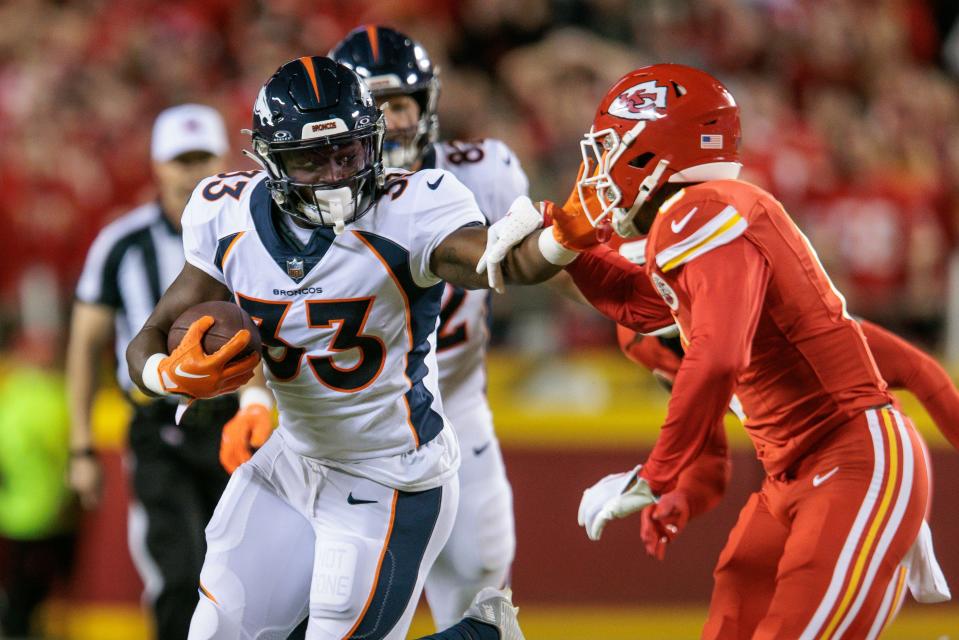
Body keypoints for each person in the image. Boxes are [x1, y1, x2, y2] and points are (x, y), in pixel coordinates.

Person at [482, 63, 941, 638]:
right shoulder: (694, 244)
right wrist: (560, 233)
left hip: (851, 459)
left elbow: (719, 358)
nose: (595, 171)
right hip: (791, 475)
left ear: (651, 154)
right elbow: (633, 302)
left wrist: (654, 475)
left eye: (607, 151)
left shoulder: (704, 212)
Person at [125, 56, 561, 639]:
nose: (333, 174)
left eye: (347, 154)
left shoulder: (411, 207)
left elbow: (499, 259)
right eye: (311, 159)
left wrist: (559, 241)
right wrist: (168, 376)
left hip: (391, 475)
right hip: (293, 460)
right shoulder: (226, 214)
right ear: (271, 160)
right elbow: (149, 338)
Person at [329, 25, 527, 629]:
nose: (386, 122)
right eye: (370, 106)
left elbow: (532, 263)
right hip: (351, 420)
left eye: (397, 104)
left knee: (480, 585)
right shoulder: (309, 198)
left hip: (455, 403)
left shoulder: (485, 171)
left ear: (427, 106)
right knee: (338, 600)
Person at [66, 104, 243, 640]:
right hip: (159, 426)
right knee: (178, 573)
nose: (192, 171)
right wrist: (80, 447)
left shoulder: (251, 233)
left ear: (223, 159)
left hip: (238, 420)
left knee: (246, 576)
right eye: (179, 159)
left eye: (201, 157)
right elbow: (84, 344)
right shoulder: (122, 242)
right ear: (156, 166)